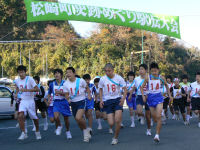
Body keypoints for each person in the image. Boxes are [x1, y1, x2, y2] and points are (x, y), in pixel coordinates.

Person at [141, 62, 172, 143]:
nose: (154, 72)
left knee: (158, 117)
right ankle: (161, 115)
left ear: (158, 70)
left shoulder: (161, 77)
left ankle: (157, 135)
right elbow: (141, 87)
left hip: (159, 98)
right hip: (150, 98)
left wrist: (170, 95)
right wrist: (143, 96)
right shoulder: (148, 77)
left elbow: (167, 86)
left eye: (155, 71)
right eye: (152, 71)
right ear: (150, 71)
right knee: (154, 119)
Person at [99, 63, 127, 145]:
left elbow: (125, 89)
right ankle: (112, 127)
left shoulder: (119, 78)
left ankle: (115, 138)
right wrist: (101, 100)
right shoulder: (102, 79)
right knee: (111, 123)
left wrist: (123, 99)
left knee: (117, 120)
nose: (107, 72)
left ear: (113, 70)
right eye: (106, 71)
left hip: (117, 100)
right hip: (108, 101)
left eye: (109, 71)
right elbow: (100, 89)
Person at [64, 67, 92, 142]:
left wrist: (89, 95)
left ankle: (86, 133)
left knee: (78, 117)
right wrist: (68, 99)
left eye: (70, 72)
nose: (68, 74)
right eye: (67, 72)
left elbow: (87, 88)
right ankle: (86, 131)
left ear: (74, 73)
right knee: (78, 121)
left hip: (81, 101)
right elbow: (66, 94)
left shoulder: (80, 81)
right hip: (73, 103)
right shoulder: (66, 84)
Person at [15, 65, 41, 140]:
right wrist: (16, 94)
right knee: (20, 116)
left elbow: (37, 89)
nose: (21, 74)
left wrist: (27, 90)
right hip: (23, 101)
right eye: (19, 73)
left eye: (22, 72)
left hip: (30, 101)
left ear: (25, 72)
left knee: (34, 118)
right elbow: (17, 87)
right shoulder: (17, 80)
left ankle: (37, 131)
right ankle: (24, 133)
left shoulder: (30, 79)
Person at [48, 69, 72, 139]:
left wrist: (61, 93)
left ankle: (68, 131)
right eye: (55, 73)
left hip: (64, 101)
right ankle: (59, 125)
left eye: (58, 73)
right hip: (56, 102)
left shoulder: (66, 83)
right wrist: (49, 99)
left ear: (61, 75)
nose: (56, 75)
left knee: (66, 119)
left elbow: (69, 93)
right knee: (56, 117)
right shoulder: (52, 84)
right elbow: (49, 93)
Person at [130, 64, 152, 136]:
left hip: (148, 97)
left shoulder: (150, 78)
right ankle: (142, 116)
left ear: (146, 70)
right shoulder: (136, 79)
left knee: (148, 116)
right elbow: (134, 87)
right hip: (139, 96)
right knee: (139, 112)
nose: (140, 71)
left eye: (142, 69)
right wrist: (130, 94)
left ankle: (148, 130)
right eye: (139, 69)